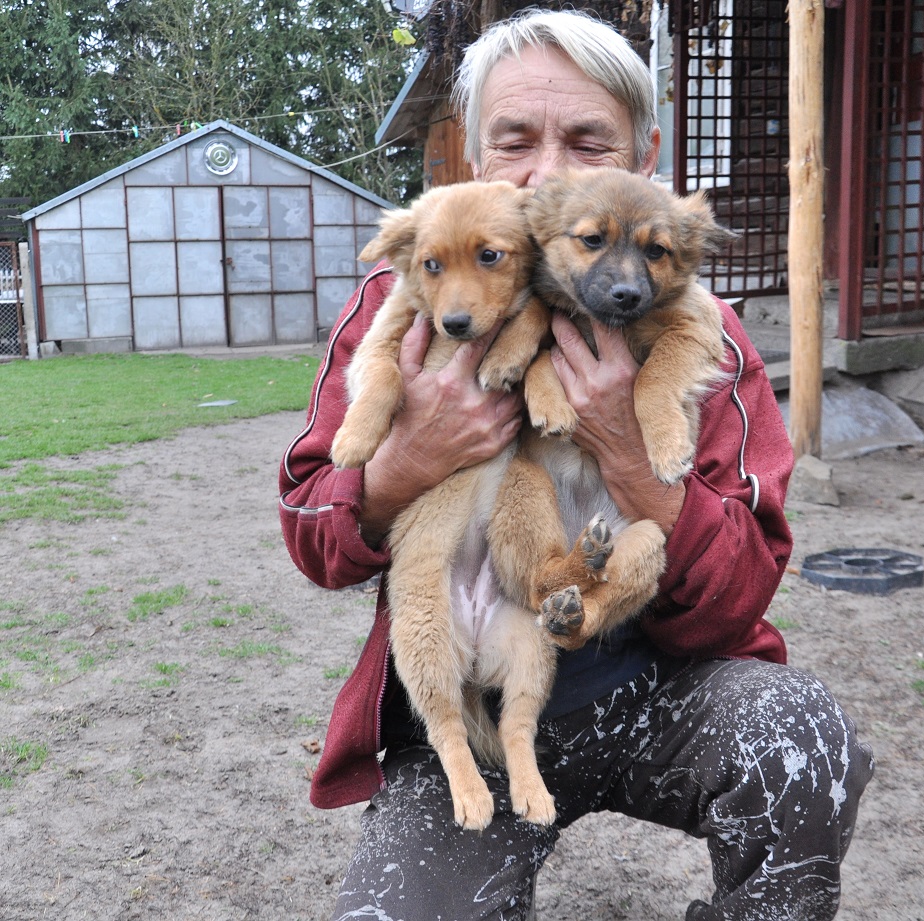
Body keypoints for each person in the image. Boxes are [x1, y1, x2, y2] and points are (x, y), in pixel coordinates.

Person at [278, 9, 874, 920]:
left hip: (656, 686)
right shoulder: (405, 300)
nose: (548, 171)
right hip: (477, 704)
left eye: (587, 139)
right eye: (515, 139)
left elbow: (742, 587)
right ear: (474, 155)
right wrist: (408, 458)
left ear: (643, 154)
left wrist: (631, 454)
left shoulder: (695, 330)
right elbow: (314, 536)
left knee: (802, 735)